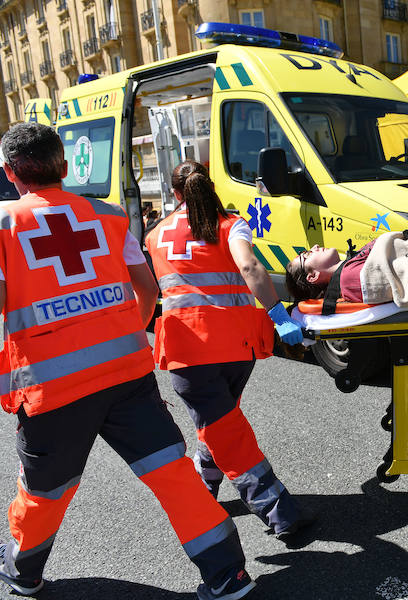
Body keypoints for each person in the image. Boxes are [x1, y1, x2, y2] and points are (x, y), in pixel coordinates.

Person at [0, 123, 255, 599]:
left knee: (45, 492)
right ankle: (227, 574)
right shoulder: (109, 216)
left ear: (10, 172)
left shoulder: (4, 224)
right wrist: (122, 335)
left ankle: (23, 570)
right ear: (63, 166)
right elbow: (147, 289)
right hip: (127, 374)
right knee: (173, 472)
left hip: (53, 388)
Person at [145, 160, 313, 543]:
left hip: (188, 350)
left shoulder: (155, 235)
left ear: (174, 194)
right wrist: (277, 313)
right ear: (211, 184)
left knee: (223, 430)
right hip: (237, 347)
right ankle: (211, 493)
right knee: (221, 423)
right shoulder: (230, 224)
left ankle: (277, 510)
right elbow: (250, 266)